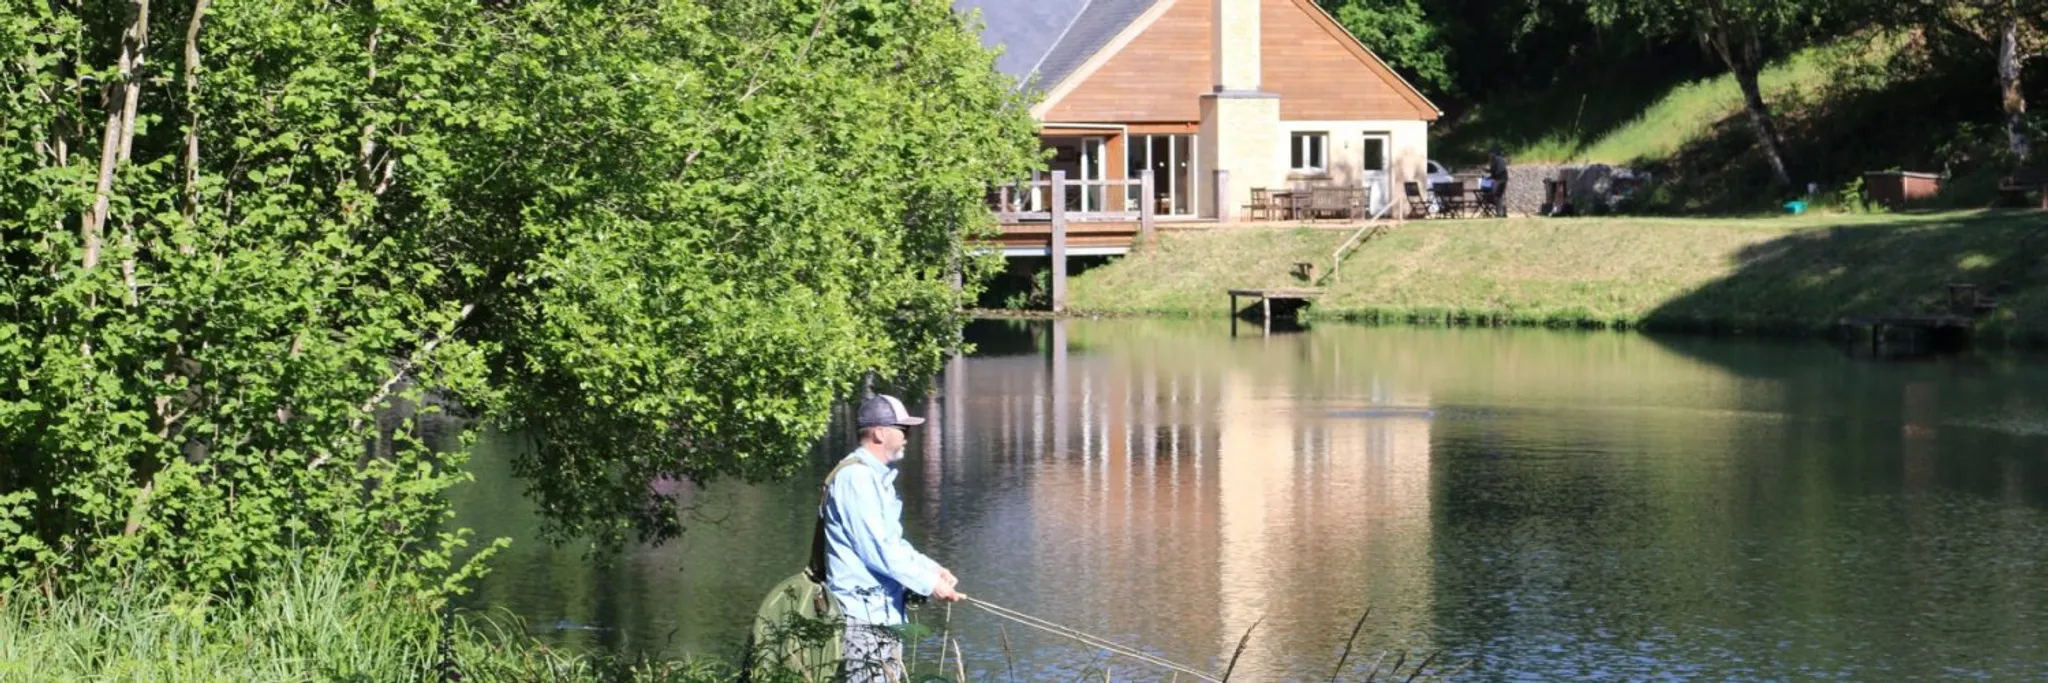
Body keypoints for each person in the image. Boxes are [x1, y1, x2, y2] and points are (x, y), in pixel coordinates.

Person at [822, 394, 964, 682]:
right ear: (879, 432)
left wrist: (931, 569)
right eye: (903, 429)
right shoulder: (857, 479)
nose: (907, 436)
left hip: (883, 614)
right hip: (862, 616)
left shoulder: (875, 477)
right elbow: (878, 550)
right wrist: (929, 585)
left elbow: (892, 543)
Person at [1487, 147, 1510, 216]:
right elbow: (1497, 170)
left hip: (1499, 179)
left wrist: (1488, 174)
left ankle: (1500, 212)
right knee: (1500, 196)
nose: (1489, 156)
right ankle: (1502, 212)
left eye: (1490, 154)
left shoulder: (1494, 159)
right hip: (1504, 179)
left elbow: (1493, 171)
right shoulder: (1501, 159)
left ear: (1492, 154)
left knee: (1496, 195)